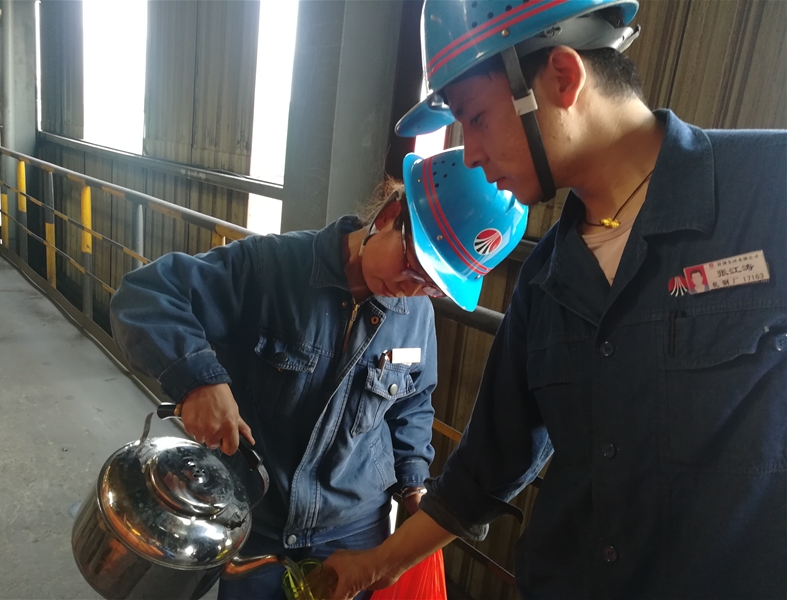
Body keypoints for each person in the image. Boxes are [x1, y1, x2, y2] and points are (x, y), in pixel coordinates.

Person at [325, 1, 787, 598]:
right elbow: (485, 469)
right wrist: (374, 565)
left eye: (477, 118)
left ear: (563, 78)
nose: (470, 153)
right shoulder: (545, 282)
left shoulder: (768, 190)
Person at [108, 147, 528, 600]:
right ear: (389, 216)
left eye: (434, 285)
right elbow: (145, 296)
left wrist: (414, 484)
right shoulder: (270, 269)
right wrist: (200, 380)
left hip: (353, 533)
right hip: (257, 522)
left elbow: (411, 405)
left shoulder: (416, 314)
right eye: (413, 266)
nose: (412, 289)